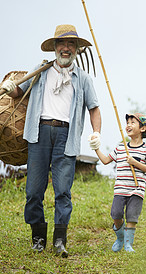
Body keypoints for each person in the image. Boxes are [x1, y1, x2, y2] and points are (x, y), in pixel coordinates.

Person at [0, 24, 101, 257]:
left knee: (63, 191)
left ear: (76, 49)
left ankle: (59, 241)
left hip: (67, 136)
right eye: (62, 44)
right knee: (34, 190)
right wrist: (9, 87)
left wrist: (96, 132)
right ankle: (38, 238)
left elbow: (94, 108)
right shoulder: (41, 70)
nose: (66, 48)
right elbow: (18, 92)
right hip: (39, 133)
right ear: (55, 47)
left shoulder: (83, 79)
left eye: (71, 44)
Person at [89, 113, 146, 252]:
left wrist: (135, 163)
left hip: (137, 190)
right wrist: (96, 147)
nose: (128, 125)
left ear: (143, 129)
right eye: (127, 122)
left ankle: (128, 244)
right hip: (120, 189)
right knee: (115, 214)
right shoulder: (121, 148)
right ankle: (120, 238)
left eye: (133, 122)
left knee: (132, 216)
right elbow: (105, 160)